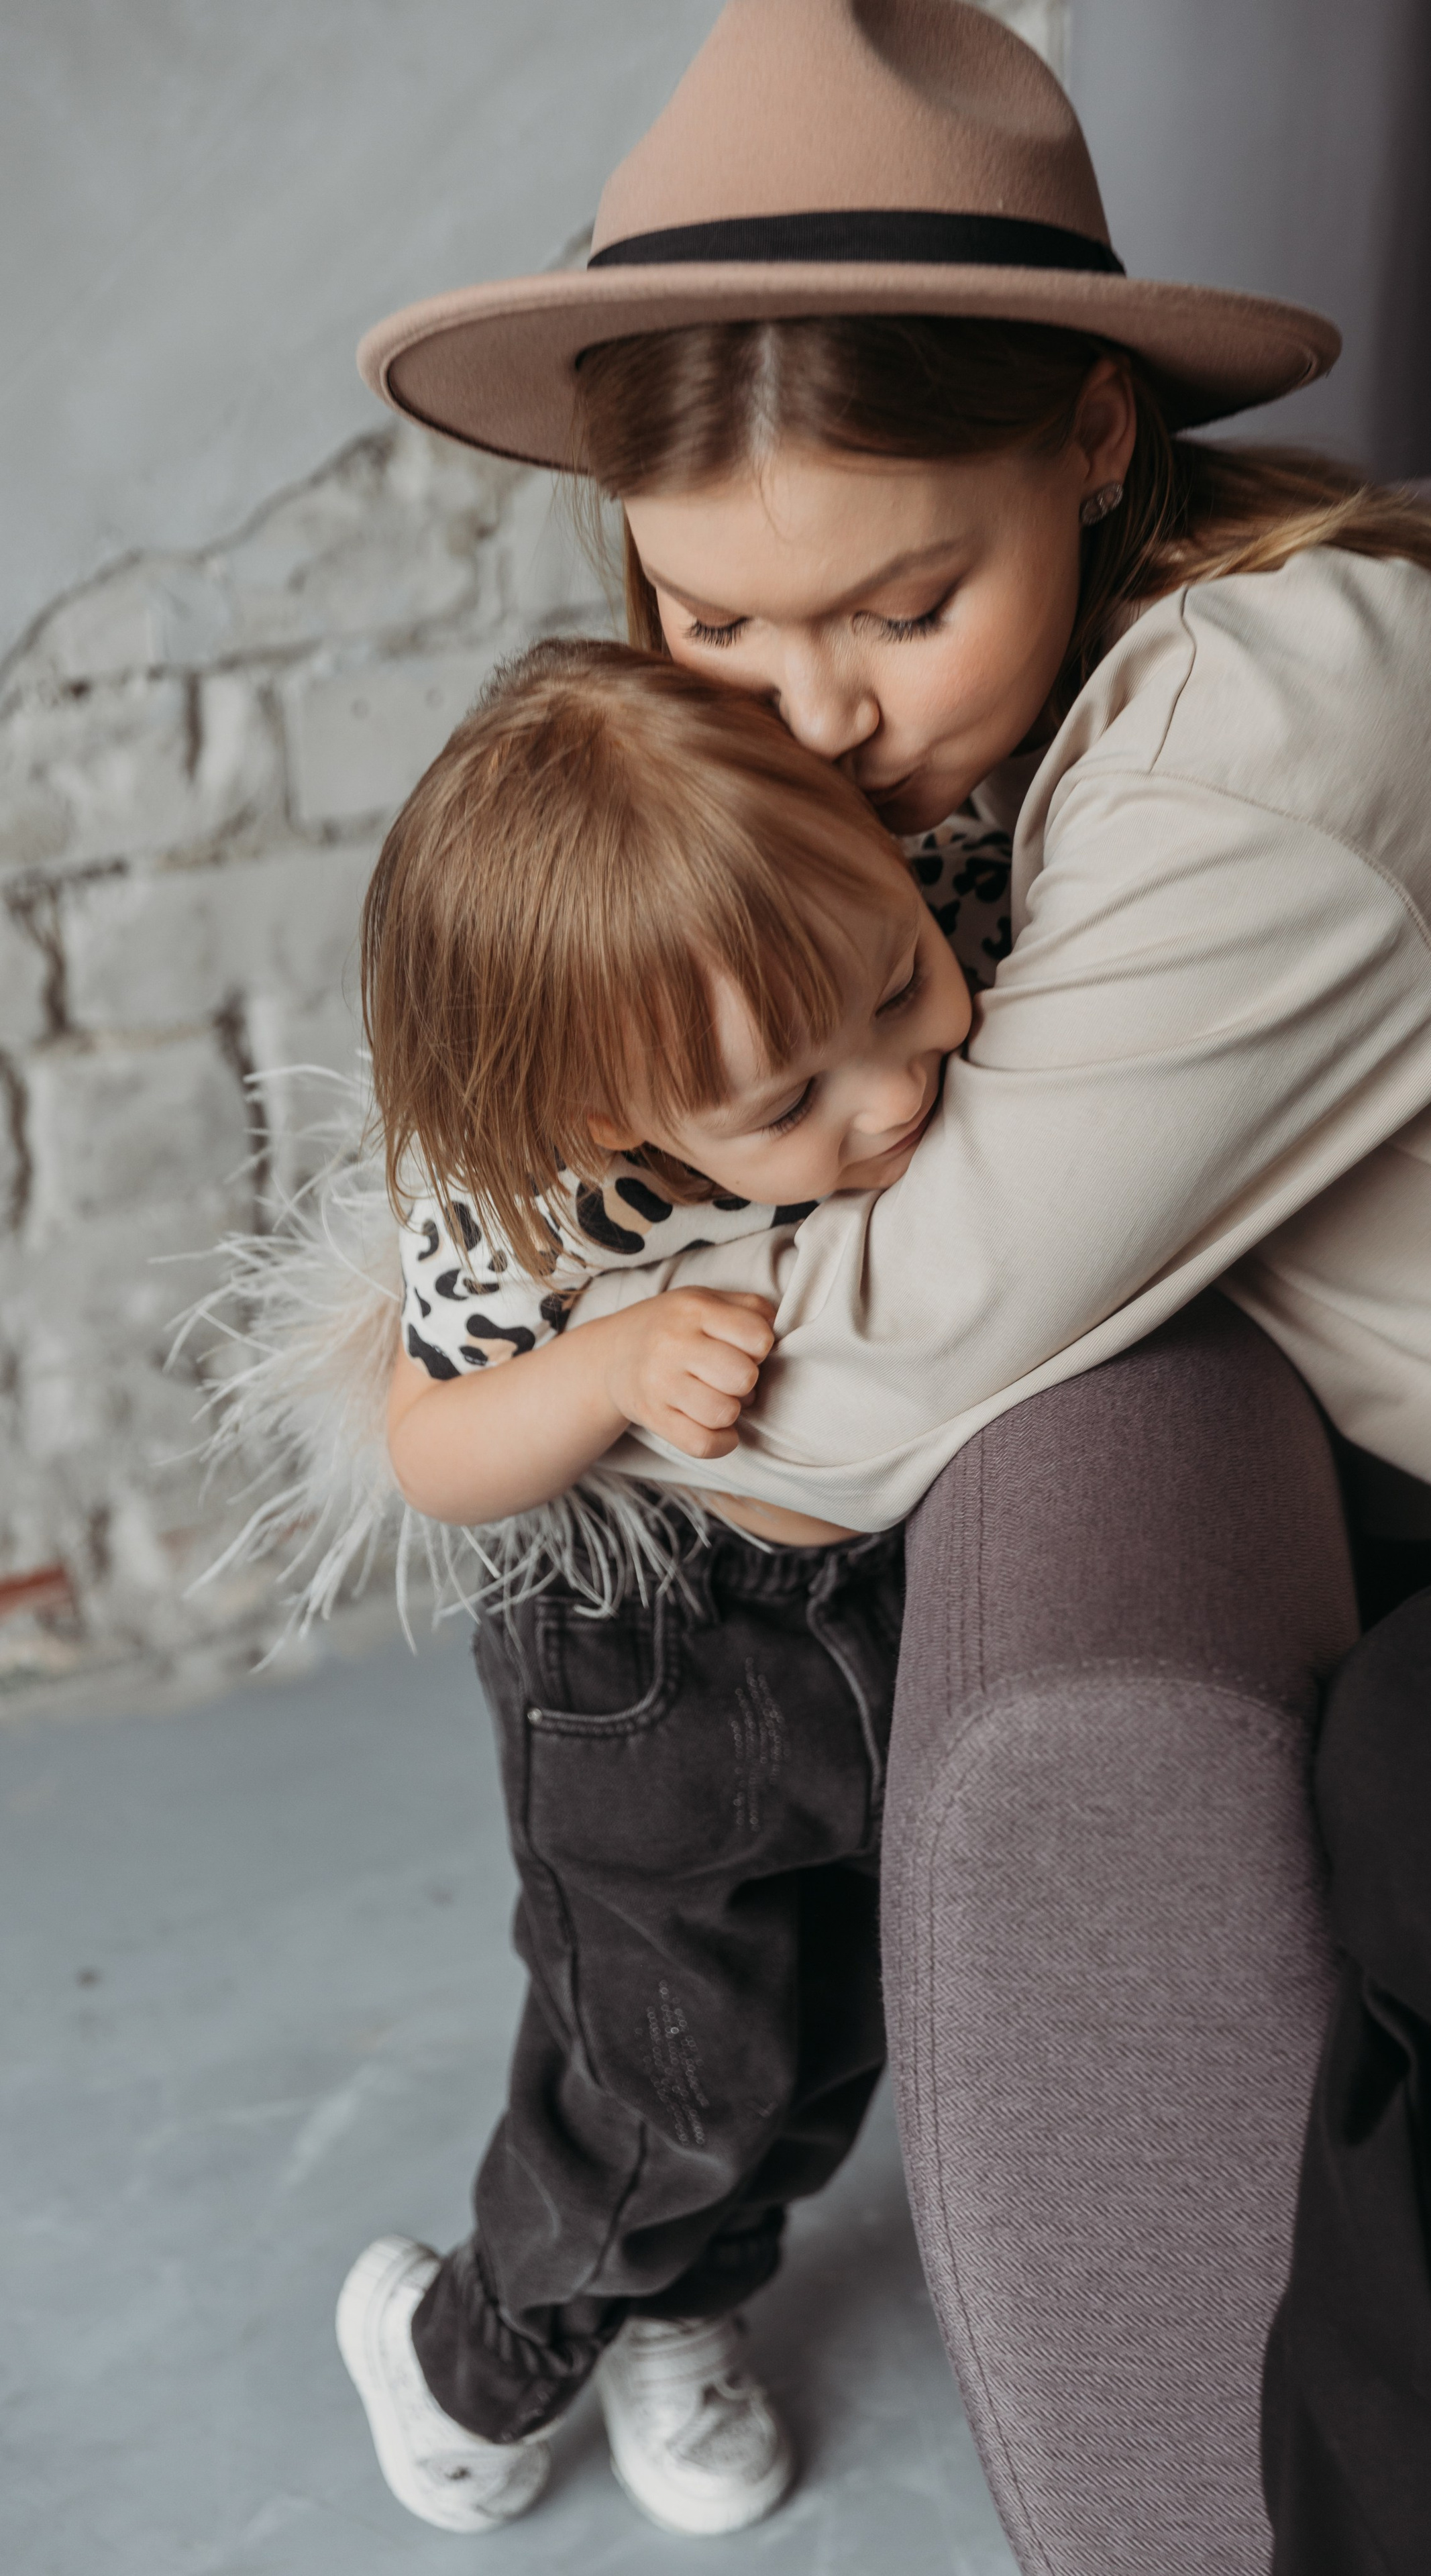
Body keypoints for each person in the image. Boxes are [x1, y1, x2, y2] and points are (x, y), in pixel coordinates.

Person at [352, 1, 1431, 2564]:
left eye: (900, 601)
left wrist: (571, 1332)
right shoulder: (995, 771)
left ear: (1097, 440)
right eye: (717, 622)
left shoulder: (1271, 734)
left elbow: (851, 1391)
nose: (819, 720)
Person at [336, 637, 1006, 2538]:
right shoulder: (519, 1191)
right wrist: (609, 1377)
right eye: (792, 1104)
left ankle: (678, 2311)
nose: (892, 1096)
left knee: (825, 2035)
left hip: (868, 1614)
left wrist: (892, 997)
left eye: (902, 989)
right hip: (639, 1656)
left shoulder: (897, 897)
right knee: (668, 2070)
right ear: (606, 1117)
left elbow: (903, 1005)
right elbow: (429, 1446)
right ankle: (472, 2352)